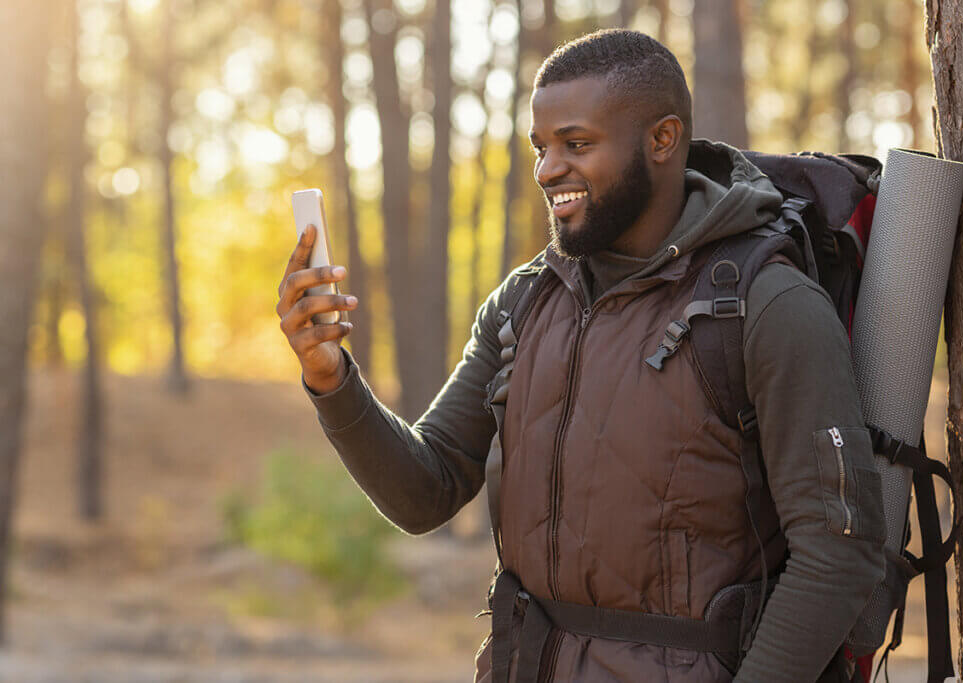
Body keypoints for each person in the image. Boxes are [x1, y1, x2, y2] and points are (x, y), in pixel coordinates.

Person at [276, 29, 885, 683]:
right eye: (542, 147)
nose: (546, 170)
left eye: (577, 143)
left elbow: (838, 554)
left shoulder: (765, 303)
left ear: (662, 140)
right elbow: (426, 488)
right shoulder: (525, 302)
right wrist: (329, 375)